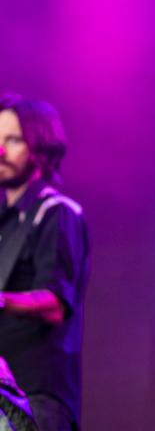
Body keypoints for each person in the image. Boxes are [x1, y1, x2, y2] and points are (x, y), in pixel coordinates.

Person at [0, 95, 89, 431]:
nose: (1, 152)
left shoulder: (57, 213)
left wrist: (3, 300)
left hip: (36, 397)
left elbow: (54, 302)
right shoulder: (4, 221)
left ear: (42, 147)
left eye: (13, 140)